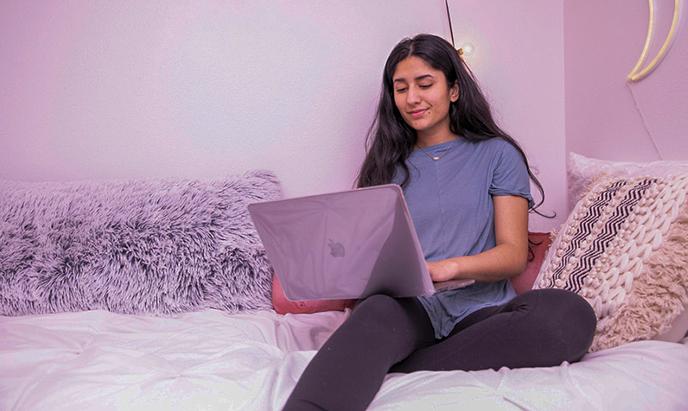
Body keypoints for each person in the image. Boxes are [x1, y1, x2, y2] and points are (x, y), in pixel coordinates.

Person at [282, 33, 596, 411]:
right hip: (410, 309)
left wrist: (448, 268)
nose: (412, 98)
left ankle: (405, 364)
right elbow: (374, 254)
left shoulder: (497, 154)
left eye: (425, 84)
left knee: (568, 316)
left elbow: (513, 255)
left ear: (453, 90)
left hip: (480, 311)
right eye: (400, 88)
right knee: (376, 311)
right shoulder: (386, 167)